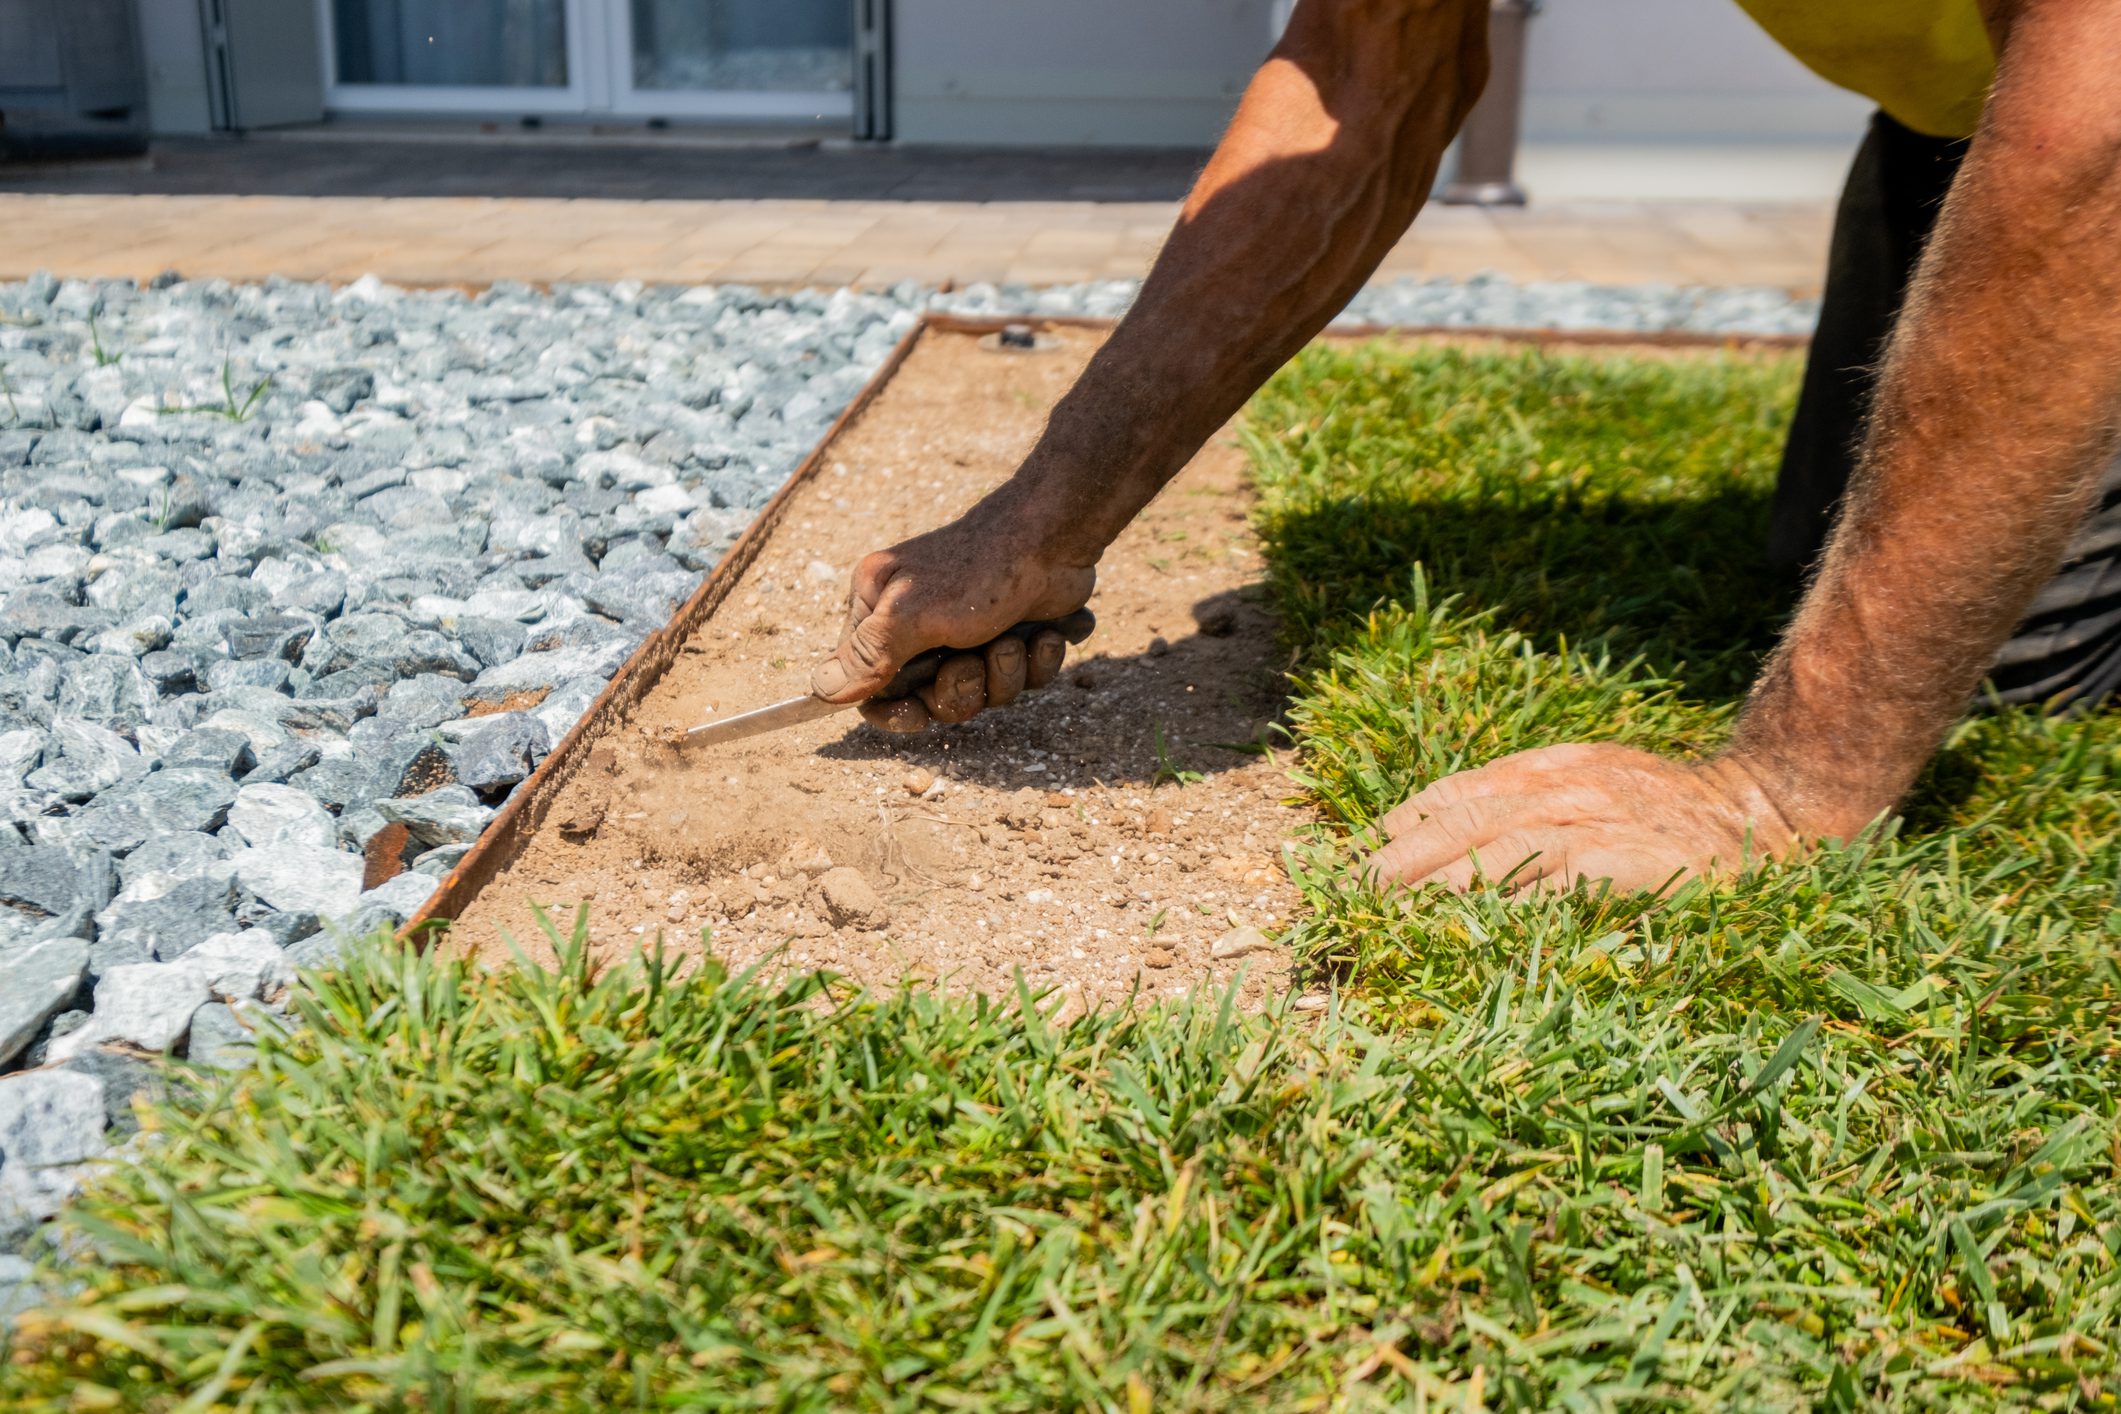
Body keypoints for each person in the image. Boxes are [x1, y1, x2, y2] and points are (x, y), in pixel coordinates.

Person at [810, 0, 2121, 894]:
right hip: (1966, 115)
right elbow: (1363, 78)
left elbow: (2092, 132)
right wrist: (1047, 519)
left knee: (2007, 668)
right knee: (1829, 549)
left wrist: (1784, 787)